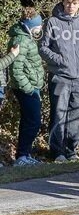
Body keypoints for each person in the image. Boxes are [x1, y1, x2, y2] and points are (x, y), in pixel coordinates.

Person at [39, 0, 79, 162]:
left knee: (77, 115)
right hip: (60, 77)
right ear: (63, 3)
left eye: (74, 3)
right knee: (58, 114)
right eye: (68, 3)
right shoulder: (52, 22)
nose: (71, 6)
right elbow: (43, 48)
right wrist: (59, 60)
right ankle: (57, 152)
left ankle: (71, 150)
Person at [6, 10, 45, 166]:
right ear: (30, 26)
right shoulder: (21, 40)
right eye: (38, 25)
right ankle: (22, 156)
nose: (40, 27)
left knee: (29, 121)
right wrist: (29, 88)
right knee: (33, 121)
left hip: (31, 86)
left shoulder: (26, 38)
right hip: (26, 88)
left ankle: (24, 154)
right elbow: (16, 69)